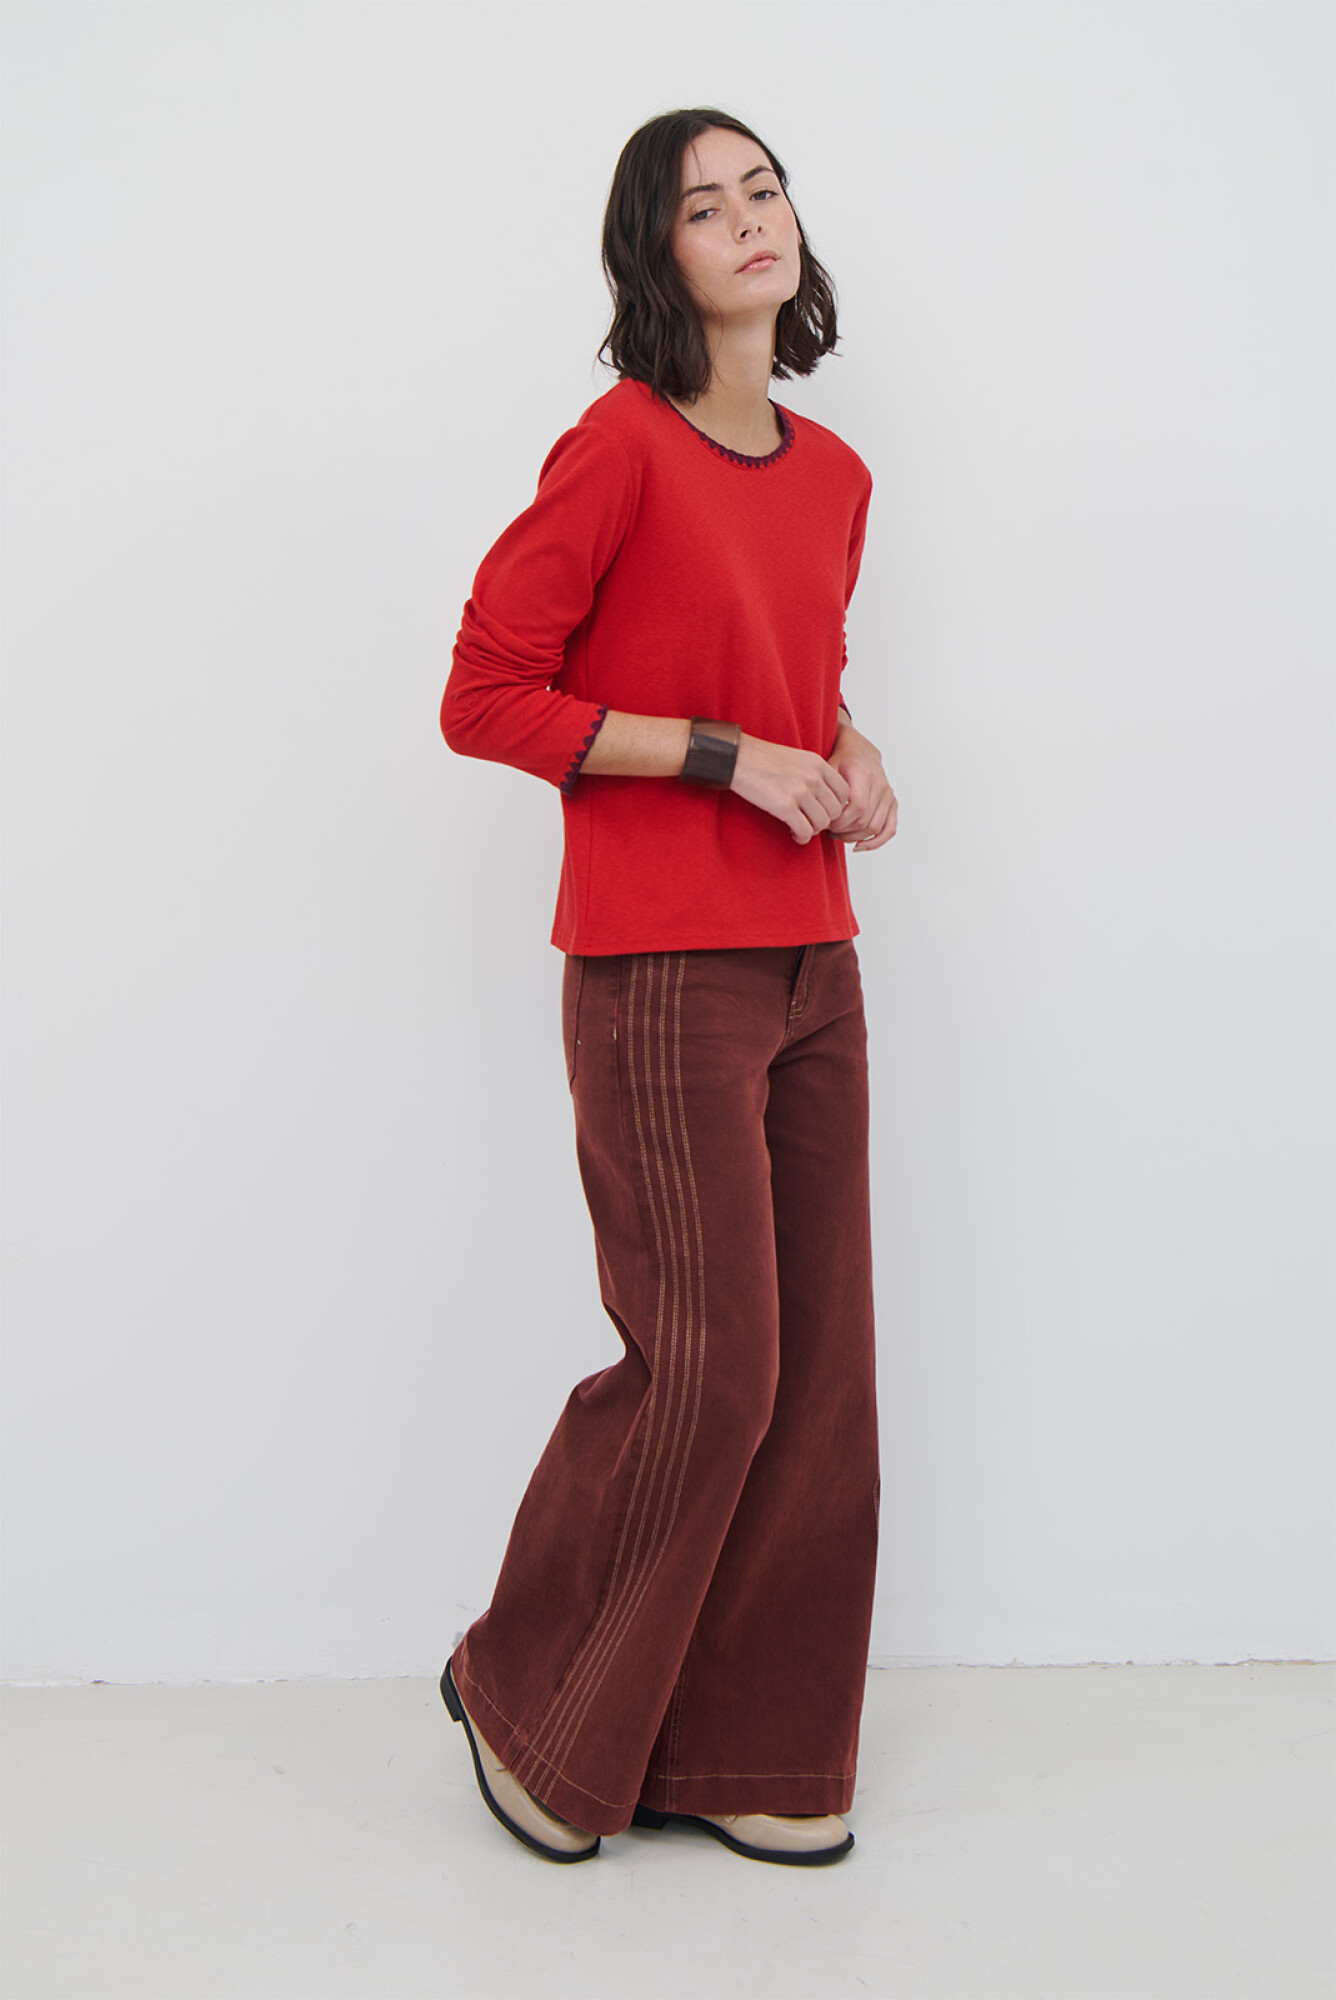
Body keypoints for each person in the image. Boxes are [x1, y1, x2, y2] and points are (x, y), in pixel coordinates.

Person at [437, 106, 897, 1868]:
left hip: (815, 957)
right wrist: (721, 757)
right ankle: (524, 1695)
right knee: (710, 1366)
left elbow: (801, 676)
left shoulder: (837, 474)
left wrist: (848, 751)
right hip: (659, 966)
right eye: (705, 207)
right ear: (660, 255)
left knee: (821, 1379)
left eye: (764, 188)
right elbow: (488, 695)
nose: (749, 219)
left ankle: (747, 1746)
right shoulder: (618, 446)